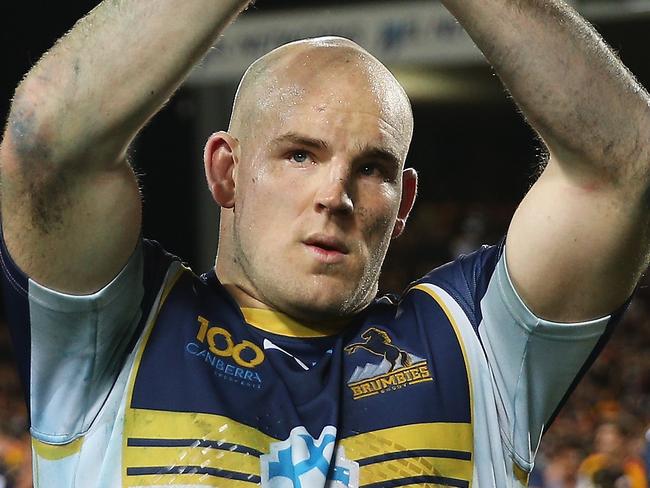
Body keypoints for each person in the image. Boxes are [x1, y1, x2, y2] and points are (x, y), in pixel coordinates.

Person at [0, 1, 648, 487]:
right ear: (226, 171)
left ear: (405, 204)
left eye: (372, 169)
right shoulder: (114, 335)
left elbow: (624, 166)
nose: (334, 194)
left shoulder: (479, 345)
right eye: (300, 155)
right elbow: (46, 143)